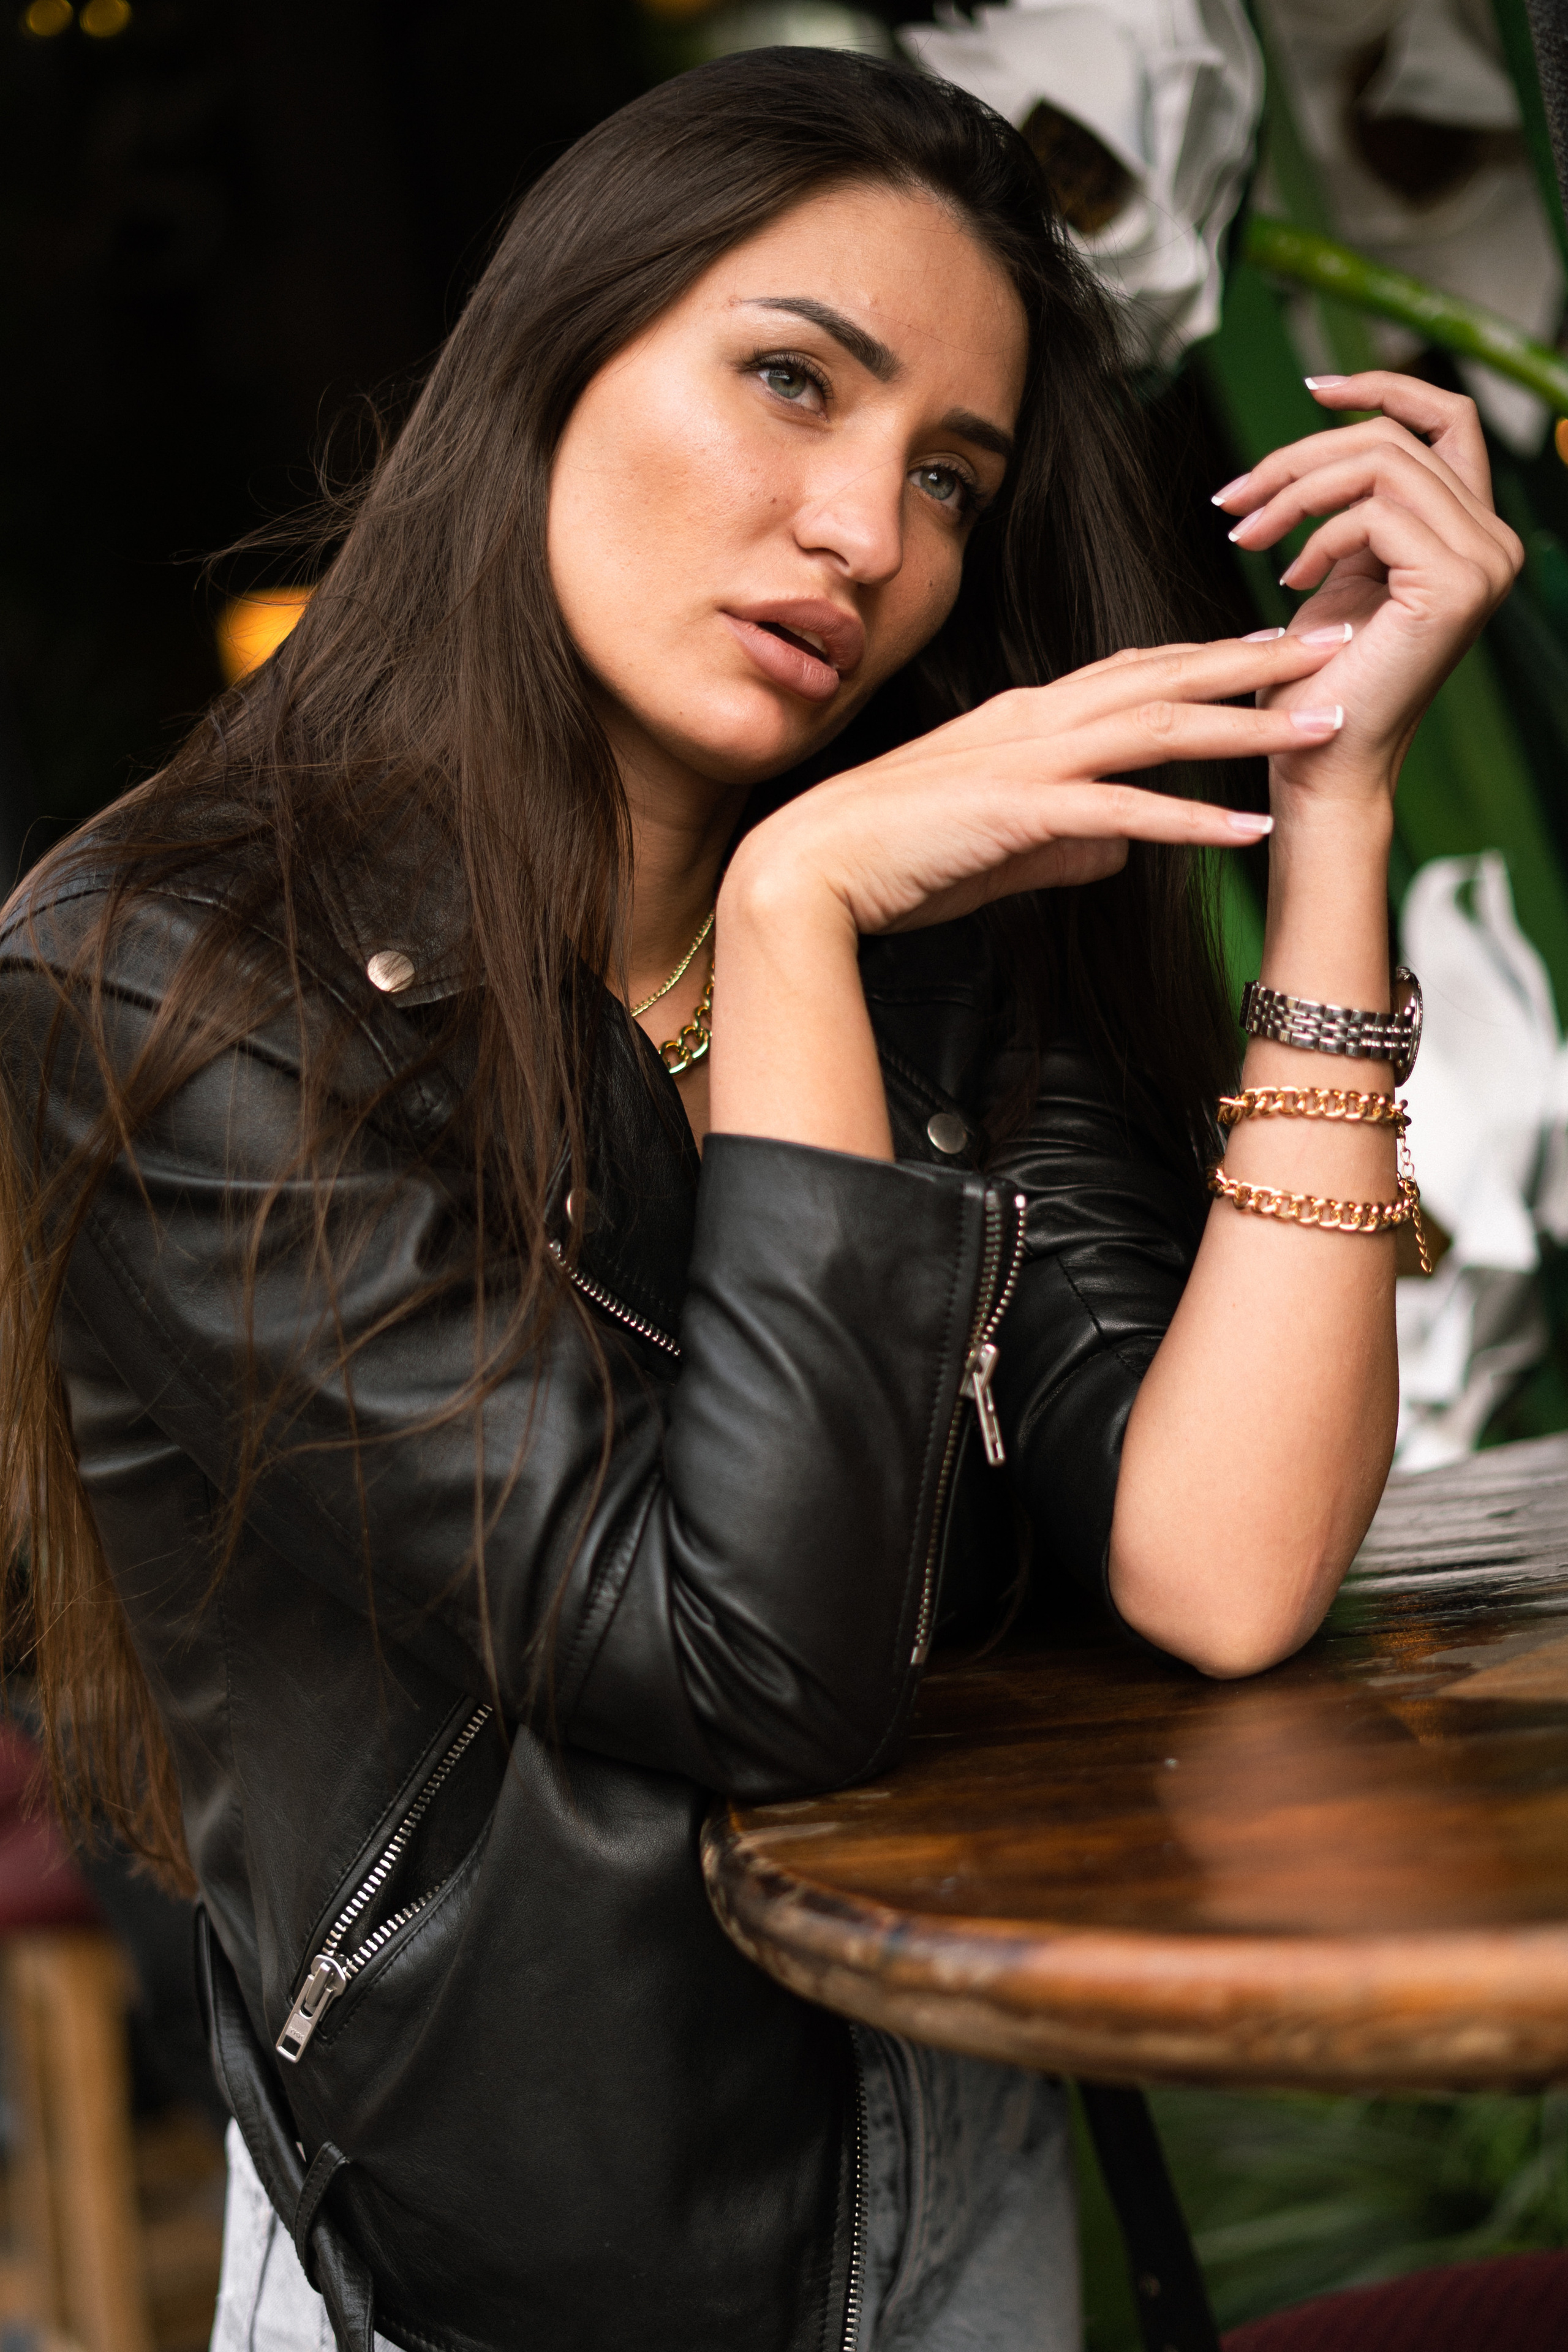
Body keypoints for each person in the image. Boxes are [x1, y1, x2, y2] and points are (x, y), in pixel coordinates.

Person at [0, 45, 1520, 2352]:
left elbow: (1221, 1572)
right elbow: (752, 1666)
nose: (863, 538)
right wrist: (800, 905)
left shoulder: (944, 940)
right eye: (791, 382)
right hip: (507, 2257)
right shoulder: (177, 976)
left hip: (950, 2166)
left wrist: (1333, 822)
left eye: (948, 481)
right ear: (555, 353)